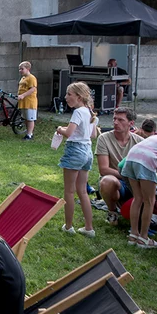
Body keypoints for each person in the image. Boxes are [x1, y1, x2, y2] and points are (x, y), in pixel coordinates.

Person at [55, 83, 98, 237]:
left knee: (69, 191)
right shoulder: (89, 112)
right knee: (82, 191)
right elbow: (93, 135)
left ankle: (68, 226)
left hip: (75, 151)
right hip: (87, 152)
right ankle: (89, 228)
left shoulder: (78, 112)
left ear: (79, 97)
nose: (66, 97)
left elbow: (69, 133)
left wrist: (60, 129)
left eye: (69, 94)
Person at [96, 107, 143, 225]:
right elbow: (103, 169)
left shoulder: (140, 142)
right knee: (107, 181)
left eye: (120, 120)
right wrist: (127, 177)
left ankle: (136, 209)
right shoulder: (104, 138)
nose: (116, 122)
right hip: (117, 180)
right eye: (114, 119)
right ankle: (112, 212)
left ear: (131, 123)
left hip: (136, 182)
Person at [16, 61, 37, 140]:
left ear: (28, 69)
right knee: (26, 118)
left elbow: (33, 89)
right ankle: (28, 132)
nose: (20, 71)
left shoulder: (31, 78)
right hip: (23, 102)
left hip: (30, 102)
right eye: (19, 69)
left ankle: (29, 135)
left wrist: (23, 95)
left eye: (22, 69)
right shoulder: (23, 78)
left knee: (30, 119)